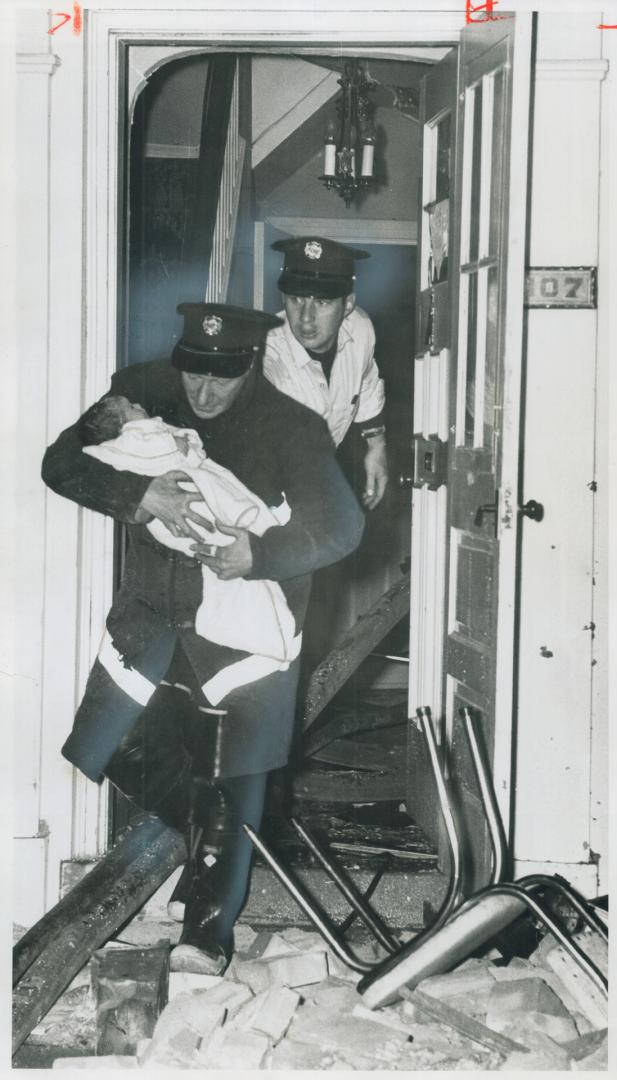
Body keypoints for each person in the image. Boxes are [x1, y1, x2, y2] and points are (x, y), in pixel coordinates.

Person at [42, 302, 364, 975]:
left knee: (235, 776)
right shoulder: (142, 390)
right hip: (153, 617)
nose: (203, 392)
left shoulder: (291, 427)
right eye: (193, 373)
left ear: (248, 365)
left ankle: (206, 934)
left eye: (221, 379)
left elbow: (341, 528)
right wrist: (138, 495)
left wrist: (262, 554)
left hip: (249, 626)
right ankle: (222, 838)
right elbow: (60, 463)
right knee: (115, 747)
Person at [79, 395, 300, 692]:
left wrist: (182, 443)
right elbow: (153, 453)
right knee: (229, 534)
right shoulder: (132, 437)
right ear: (120, 423)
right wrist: (177, 446)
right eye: (130, 406)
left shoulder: (149, 428)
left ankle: (267, 632)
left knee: (240, 534)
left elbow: (188, 444)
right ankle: (264, 637)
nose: (137, 404)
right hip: (185, 500)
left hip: (198, 485)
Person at [263, 236, 388, 510]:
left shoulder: (360, 329)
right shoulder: (266, 358)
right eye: (295, 299)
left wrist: (376, 447)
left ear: (347, 305)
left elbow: (366, 380)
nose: (305, 317)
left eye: (321, 303)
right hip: (266, 489)